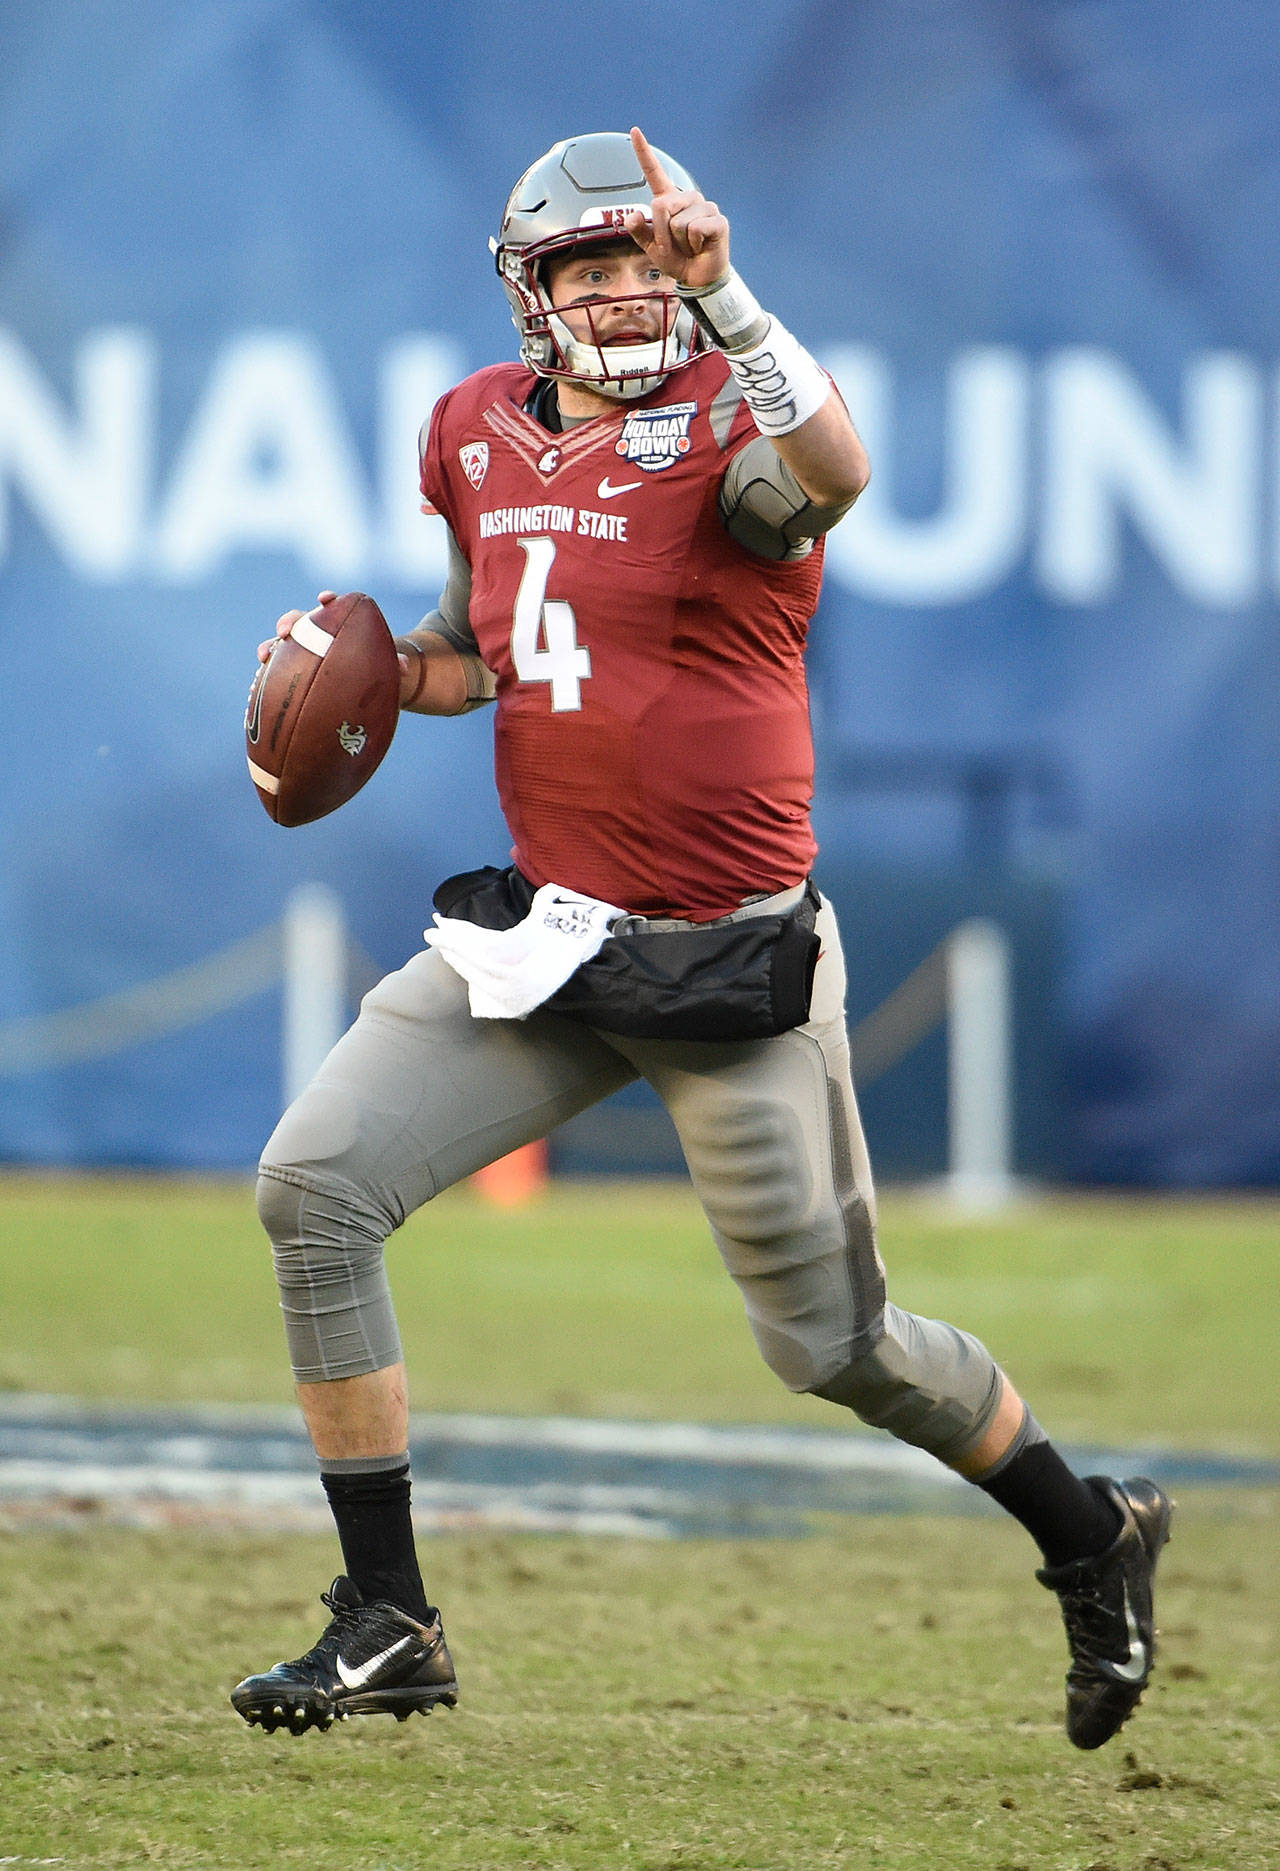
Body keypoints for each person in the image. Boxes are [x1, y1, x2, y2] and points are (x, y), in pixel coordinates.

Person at [230, 128, 1171, 1748]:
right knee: (314, 1187)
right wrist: (369, 673)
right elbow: (482, 647)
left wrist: (729, 291)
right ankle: (390, 1617)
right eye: (587, 270)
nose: (619, 295)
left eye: (644, 264)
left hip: (724, 960)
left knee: (840, 1351)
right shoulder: (470, 430)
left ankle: (1093, 1539)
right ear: (534, 297)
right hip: (548, 935)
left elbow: (834, 476)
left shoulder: (731, 429)